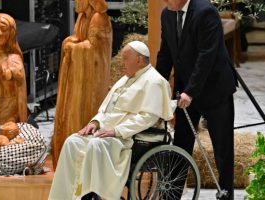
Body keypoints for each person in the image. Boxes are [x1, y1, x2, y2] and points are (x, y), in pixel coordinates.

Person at [49, 41, 174, 200]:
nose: (122, 64)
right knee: (72, 141)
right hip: (107, 133)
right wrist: (94, 123)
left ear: (139, 60)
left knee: (96, 144)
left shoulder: (155, 81)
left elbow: (147, 118)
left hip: (131, 138)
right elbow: (106, 109)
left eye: (126, 59)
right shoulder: (125, 79)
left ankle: (89, 196)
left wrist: (116, 131)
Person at [156, 0, 238, 199]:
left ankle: (226, 194)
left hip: (214, 88)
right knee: (181, 142)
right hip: (186, 88)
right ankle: (172, 195)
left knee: (222, 147)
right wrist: (156, 87)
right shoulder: (167, 14)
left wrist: (190, 91)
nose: (164, 1)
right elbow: (166, 54)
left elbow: (206, 56)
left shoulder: (205, 12)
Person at [52, 0, 113, 168]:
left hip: (91, 82)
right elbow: (78, 38)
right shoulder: (82, 17)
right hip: (79, 78)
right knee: (71, 113)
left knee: (84, 113)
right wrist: (70, 42)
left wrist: (73, 48)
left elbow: (94, 48)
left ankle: (81, 164)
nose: (75, 3)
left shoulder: (98, 18)